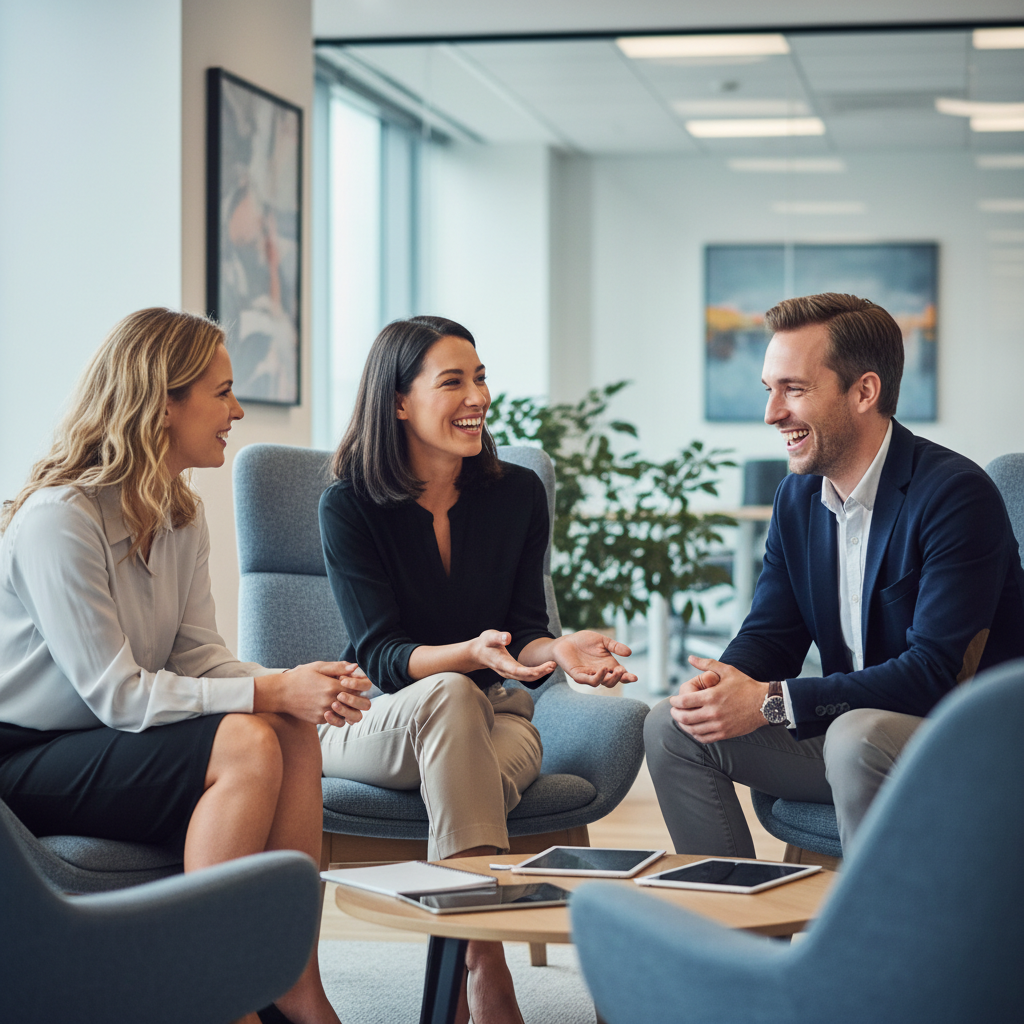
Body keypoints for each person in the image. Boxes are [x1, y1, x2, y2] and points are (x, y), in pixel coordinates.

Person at [0, 308, 372, 1024]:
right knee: (248, 735)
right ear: (162, 401)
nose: (237, 410)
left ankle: (293, 982)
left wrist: (288, 689)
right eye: (223, 392)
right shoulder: (60, 520)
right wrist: (268, 689)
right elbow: (116, 694)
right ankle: (214, 995)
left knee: (287, 727)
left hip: (106, 740)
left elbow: (196, 654)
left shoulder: (179, 512)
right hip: (26, 754)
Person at [317, 315, 636, 1024]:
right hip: (371, 720)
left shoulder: (517, 492)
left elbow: (525, 632)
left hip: (500, 725)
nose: (478, 397)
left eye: (482, 377)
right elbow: (380, 655)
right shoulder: (349, 504)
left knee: (468, 717)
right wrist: (468, 658)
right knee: (453, 695)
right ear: (398, 401)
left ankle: (453, 951)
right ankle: (483, 958)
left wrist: (556, 650)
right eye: (453, 381)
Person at [645, 292, 1024, 857]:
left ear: (864, 391)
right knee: (671, 726)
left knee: (854, 737)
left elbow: (932, 676)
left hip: (960, 742)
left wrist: (773, 702)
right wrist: (721, 685)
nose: (772, 413)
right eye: (770, 390)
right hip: (854, 736)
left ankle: (878, 939)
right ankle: (732, 931)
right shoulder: (796, 497)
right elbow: (772, 633)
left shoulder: (954, 495)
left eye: (793, 390)